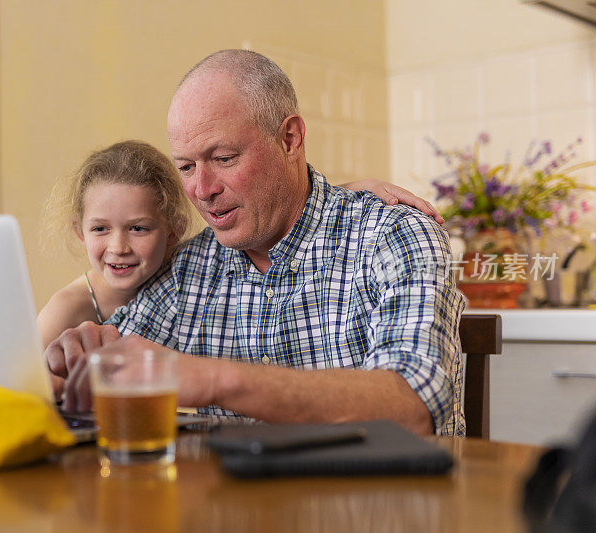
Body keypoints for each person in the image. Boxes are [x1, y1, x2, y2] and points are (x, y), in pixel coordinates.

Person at [46, 50, 464, 436]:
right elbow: (113, 364)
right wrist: (80, 361)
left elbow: (413, 404)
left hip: (380, 513)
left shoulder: (394, 236)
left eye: (224, 159)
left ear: (290, 139)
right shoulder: (189, 269)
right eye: (187, 167)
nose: (202, 190)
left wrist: (214, 378)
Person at [37, 141, 442, 349]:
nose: (119, 248)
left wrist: (338, 198)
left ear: (173, 231)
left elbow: (281, 211)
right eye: (100, 230)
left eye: (139, 229)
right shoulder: (74, 307)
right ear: (80, 231)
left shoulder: (181, 262)